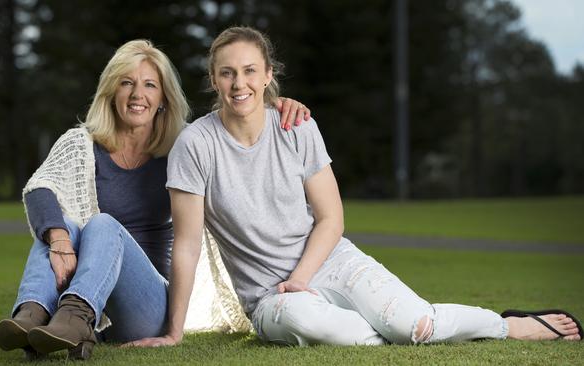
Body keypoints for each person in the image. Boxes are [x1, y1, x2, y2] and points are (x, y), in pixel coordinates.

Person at [128, 26, 583, 348]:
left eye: (250, 71)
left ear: (268, 75)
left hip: (330, 262)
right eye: (227, 73)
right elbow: (185, 245)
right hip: (271, 300)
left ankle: (506, 326)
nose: (239, 83)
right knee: (319, 322)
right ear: (213, 80)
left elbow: (331, 218)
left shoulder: (297, 127)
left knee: (416, 323)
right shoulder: (195, 145)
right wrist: (174, 331)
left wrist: (302, 278)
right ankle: (396, 331)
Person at [0, 39, 311, 360]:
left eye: (149, 85)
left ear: (163, 98)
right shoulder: (81, 143)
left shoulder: (187, 145)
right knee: (58, 226)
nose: (137, 95)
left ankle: (74, 318)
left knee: (102, 225)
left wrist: (273, 106)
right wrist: (60, 238)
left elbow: (237, 136)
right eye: (127, 83)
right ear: (111, 91)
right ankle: (30, 316)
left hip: (148, 306)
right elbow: (40, 189)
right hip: (95, 294)